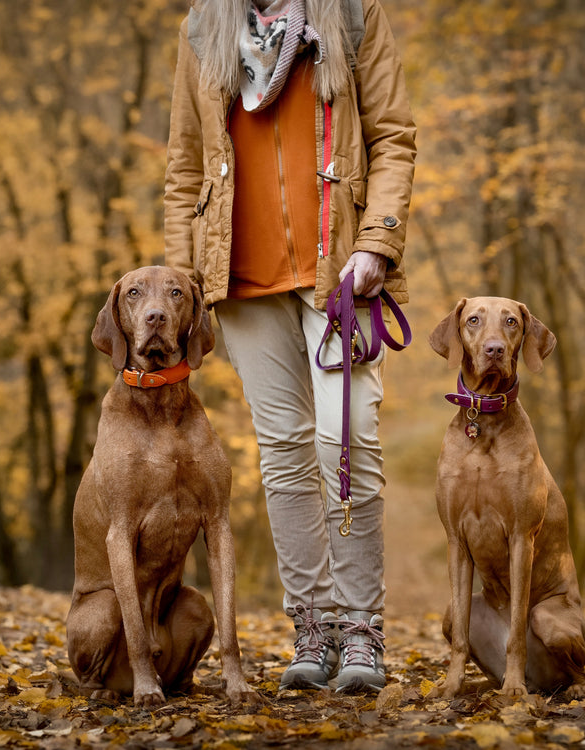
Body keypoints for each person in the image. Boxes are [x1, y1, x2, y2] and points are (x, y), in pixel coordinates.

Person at [164, 0, 416, 694]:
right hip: (242, 278)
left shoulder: (351, 15)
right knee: (283, 452)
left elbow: (394, 136)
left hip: (343, 271)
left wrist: (378, 242)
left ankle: (362, 630)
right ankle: (313, 627)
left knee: (348, 439)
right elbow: (184, 168)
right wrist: (183, 283)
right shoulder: (201, 30)